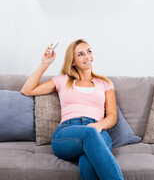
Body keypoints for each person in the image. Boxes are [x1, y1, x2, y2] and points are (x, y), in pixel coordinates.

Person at [21, 39, 124, 180]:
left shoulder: (104, 84)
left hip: (98, 131)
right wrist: (45, 64)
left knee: (88, 162)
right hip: (67, 132)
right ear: (73, 61)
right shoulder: (64, 80)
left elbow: (112, 117)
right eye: (81, 54)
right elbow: (27, 90)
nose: (88, 56)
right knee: (89, 134)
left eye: (89, 51)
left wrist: (97, 126)